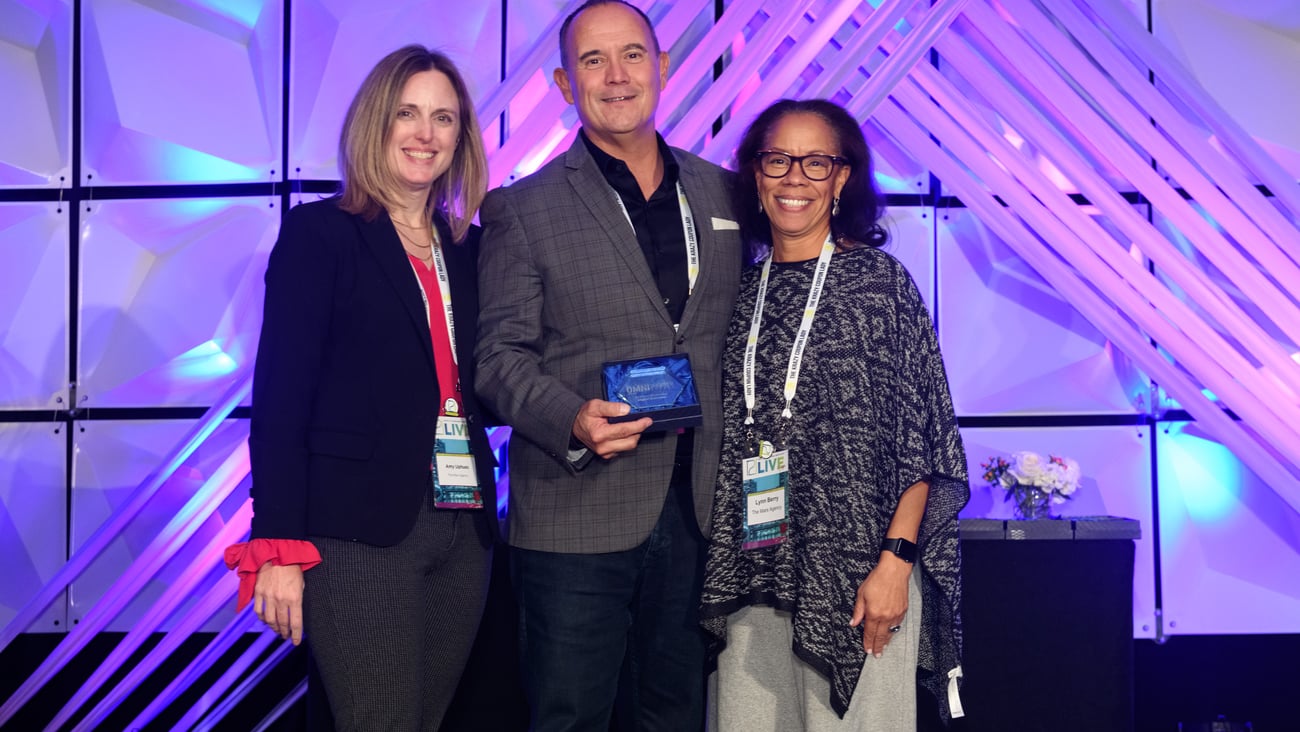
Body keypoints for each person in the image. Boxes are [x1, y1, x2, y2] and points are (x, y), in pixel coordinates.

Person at [474, 1, 743, 729]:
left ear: (662, 67)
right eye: (593, 61)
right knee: (569, 716)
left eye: (632, 55)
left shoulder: (726, 191)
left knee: (677, 713)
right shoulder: (520, 209)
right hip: (574, 511)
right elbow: (497, 357)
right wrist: (570, 418)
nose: (617, 76)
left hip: (699, 509)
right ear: (565, 85)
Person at [224, 45, 496, 731]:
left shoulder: (469, 247)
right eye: (407, 114)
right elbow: (282, 399)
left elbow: (486, 378)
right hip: (357, 535)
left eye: (443, 118)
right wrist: (278, 548)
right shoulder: (323, 235)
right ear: (375, 123)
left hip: (463, 531)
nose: (425, 134)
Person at [698, 99, 969, 731]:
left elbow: (919, 441)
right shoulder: (739, 292)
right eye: (777, 160)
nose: (794, 178)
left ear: (842, 178)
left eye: (816, 162)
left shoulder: (880, 284)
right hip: (752, 572)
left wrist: (895, 564)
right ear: (755, 175)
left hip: (859, 579)